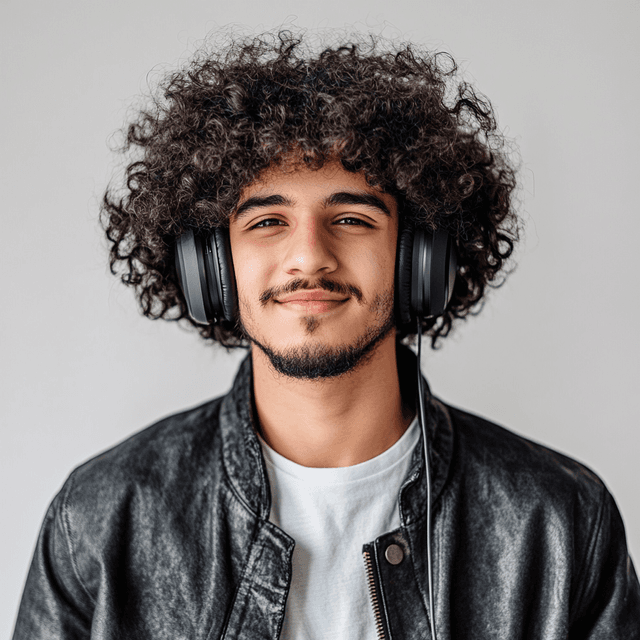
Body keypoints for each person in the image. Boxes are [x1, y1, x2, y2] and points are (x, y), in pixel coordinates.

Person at [13, 31, 640, 639]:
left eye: (350, 217)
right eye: (266, 221)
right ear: (211, 266)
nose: (308, 257)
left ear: (420, 256)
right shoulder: (97, 520)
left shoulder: (561, 522)